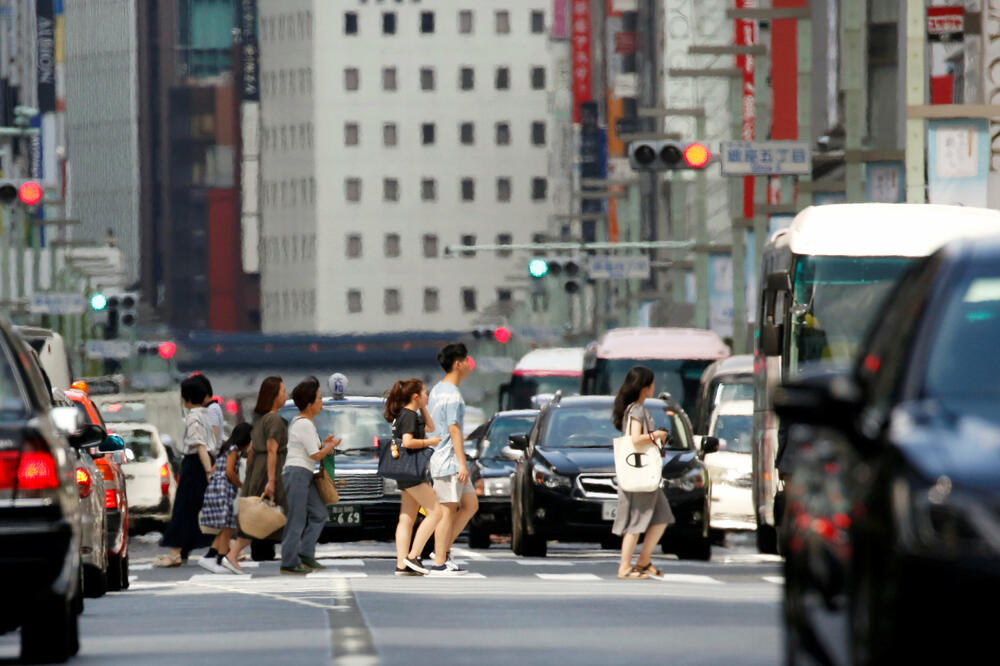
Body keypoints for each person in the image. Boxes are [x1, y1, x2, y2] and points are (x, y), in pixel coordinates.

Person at [611, 366, 674, 579]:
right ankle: (625, 567)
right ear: (644, 387)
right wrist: (656, 435)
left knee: (662, 516)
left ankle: (644, 560)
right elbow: (636, 439)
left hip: (645, 475)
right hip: (640, 474)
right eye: (652, 383)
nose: (654, 387)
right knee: (637, 520)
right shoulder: (637, 410)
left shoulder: (634, 409)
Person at [426, 343, 478, 576]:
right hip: (448, 462)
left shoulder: (437, 390)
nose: (469, 364)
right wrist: (462, 464)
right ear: (458, 364)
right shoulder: (453, 396)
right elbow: (454, 429)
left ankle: (442, 550)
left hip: (443, 458)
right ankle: (439, 562)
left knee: (470, 505)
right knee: (448, 511)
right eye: (467, 360)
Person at [280, 376, 340, 575]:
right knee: (296, 518)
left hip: (305, 474)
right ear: (309, 403)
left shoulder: (307, 423)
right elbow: (315, 454)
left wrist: (326, 445)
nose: (321, 402)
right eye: (320, 398)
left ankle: (305, 554)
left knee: (319, 513)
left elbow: (314, 450)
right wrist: (327, 447)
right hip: (297, 473)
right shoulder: (303, 424)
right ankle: (289, 561)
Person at [384, 378, 443, 576]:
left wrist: (423, 407)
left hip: (405, 472)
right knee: (436, 512)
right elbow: (408, 442)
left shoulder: (407, 415)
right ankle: (413, 556)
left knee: (407, 518)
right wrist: (430, 442)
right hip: (413, 472)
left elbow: (430, 426)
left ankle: (402, 564)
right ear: (416, 396)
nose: (428, 396)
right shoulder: (408, 416)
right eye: (425, 393)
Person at [155, 376, 216, 567]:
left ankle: (175, 554)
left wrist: (207, 471)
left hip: (196, 465)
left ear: (184, 398)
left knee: (184, 509)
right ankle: (223, 548)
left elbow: (200, 446)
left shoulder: (193, 417)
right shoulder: (208, 414)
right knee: (207, 508)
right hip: (207, 462)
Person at [227, 376, 288, 565]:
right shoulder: (274, 419)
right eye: (283, 392)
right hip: (270, 470)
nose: (286, 395)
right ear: (274, 396)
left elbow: (252, 450)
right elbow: (271, 450)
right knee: (277, 512)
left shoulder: (260, 419)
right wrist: (271, 480)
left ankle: (246, 551)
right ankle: (234, 553)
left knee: (259, 513)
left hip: (258, 471)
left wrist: (251, 476)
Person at [199, 423, 253, 574]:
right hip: (225, 489)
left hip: (217, 488)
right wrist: (240, 484)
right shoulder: (234, 450)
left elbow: (214, 469)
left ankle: (214, 556)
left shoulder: (226, 448)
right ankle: (221, 558)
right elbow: (229, 472)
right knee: (228, 525)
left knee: (226, 526)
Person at [190, 373, 226, 569]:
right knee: (222, 509)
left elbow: (211, 438)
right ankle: (220, 551)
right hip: (215, 458)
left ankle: (219, 550)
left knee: (219, 509)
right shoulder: (215, 408)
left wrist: (210, 467)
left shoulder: (210, 410)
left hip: (212, 459)